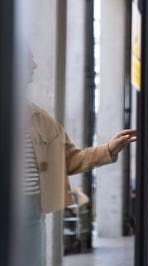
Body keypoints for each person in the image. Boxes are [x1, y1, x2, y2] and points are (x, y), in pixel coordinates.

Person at [23, 52, 136, 266]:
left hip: (30, 213)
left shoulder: (41, 120)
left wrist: (109, 148)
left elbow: (70, 159)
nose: (34, 65)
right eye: (28, 59)